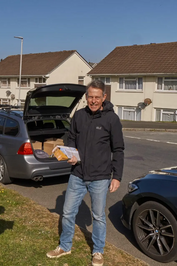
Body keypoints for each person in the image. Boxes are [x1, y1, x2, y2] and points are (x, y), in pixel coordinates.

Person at [46, 79, 124, 266]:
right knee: (67, 212)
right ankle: (65, 246)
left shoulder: (112, 119)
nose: (94, 101)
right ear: (86, 97)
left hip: (100, 177)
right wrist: (70, 154)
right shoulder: (79, 116)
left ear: (104, 97)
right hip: (77, 174)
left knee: (98, 216)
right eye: (90, 97)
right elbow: (71, 138)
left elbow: (118, 149)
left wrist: (117, 177)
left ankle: (98, 251)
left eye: (97, 97)